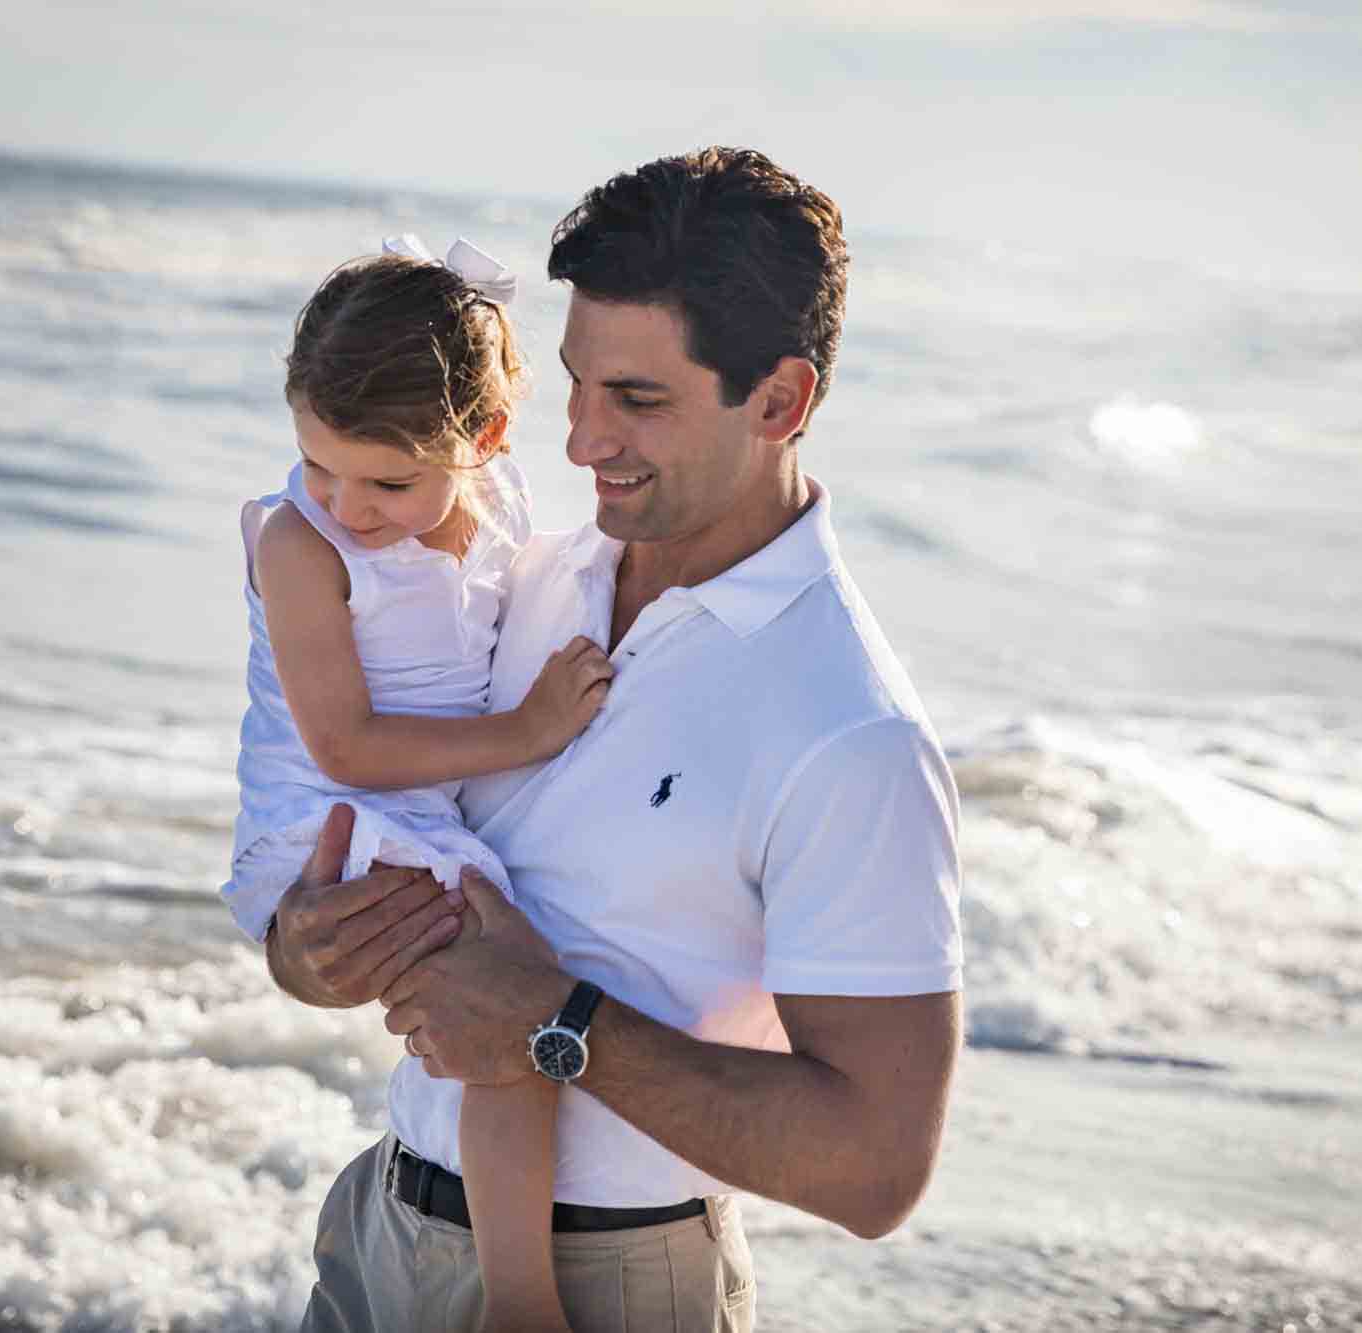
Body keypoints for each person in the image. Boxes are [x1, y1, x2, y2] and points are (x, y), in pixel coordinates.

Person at [266, 148, 965, 1333]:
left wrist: (558, 1024)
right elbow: (384, 849)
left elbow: (875, 1170)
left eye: (638, 400)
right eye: (580, 384)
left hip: (612, 1289)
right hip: (382, 1231)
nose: (583, 441)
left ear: (780, 402)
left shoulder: (849, 732)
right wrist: (308, 945)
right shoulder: (517, 585)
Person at [222, 234, 614, 1333]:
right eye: (318, 464)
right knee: (511, 1003)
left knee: (498, 1012)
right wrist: (526, 732)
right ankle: (520, 1300)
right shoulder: (299, 546)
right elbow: (343, 744)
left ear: (483, 440)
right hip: (328, 817)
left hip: (422, 799)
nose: (345, 504)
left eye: (387, 479)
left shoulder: (499, 505)